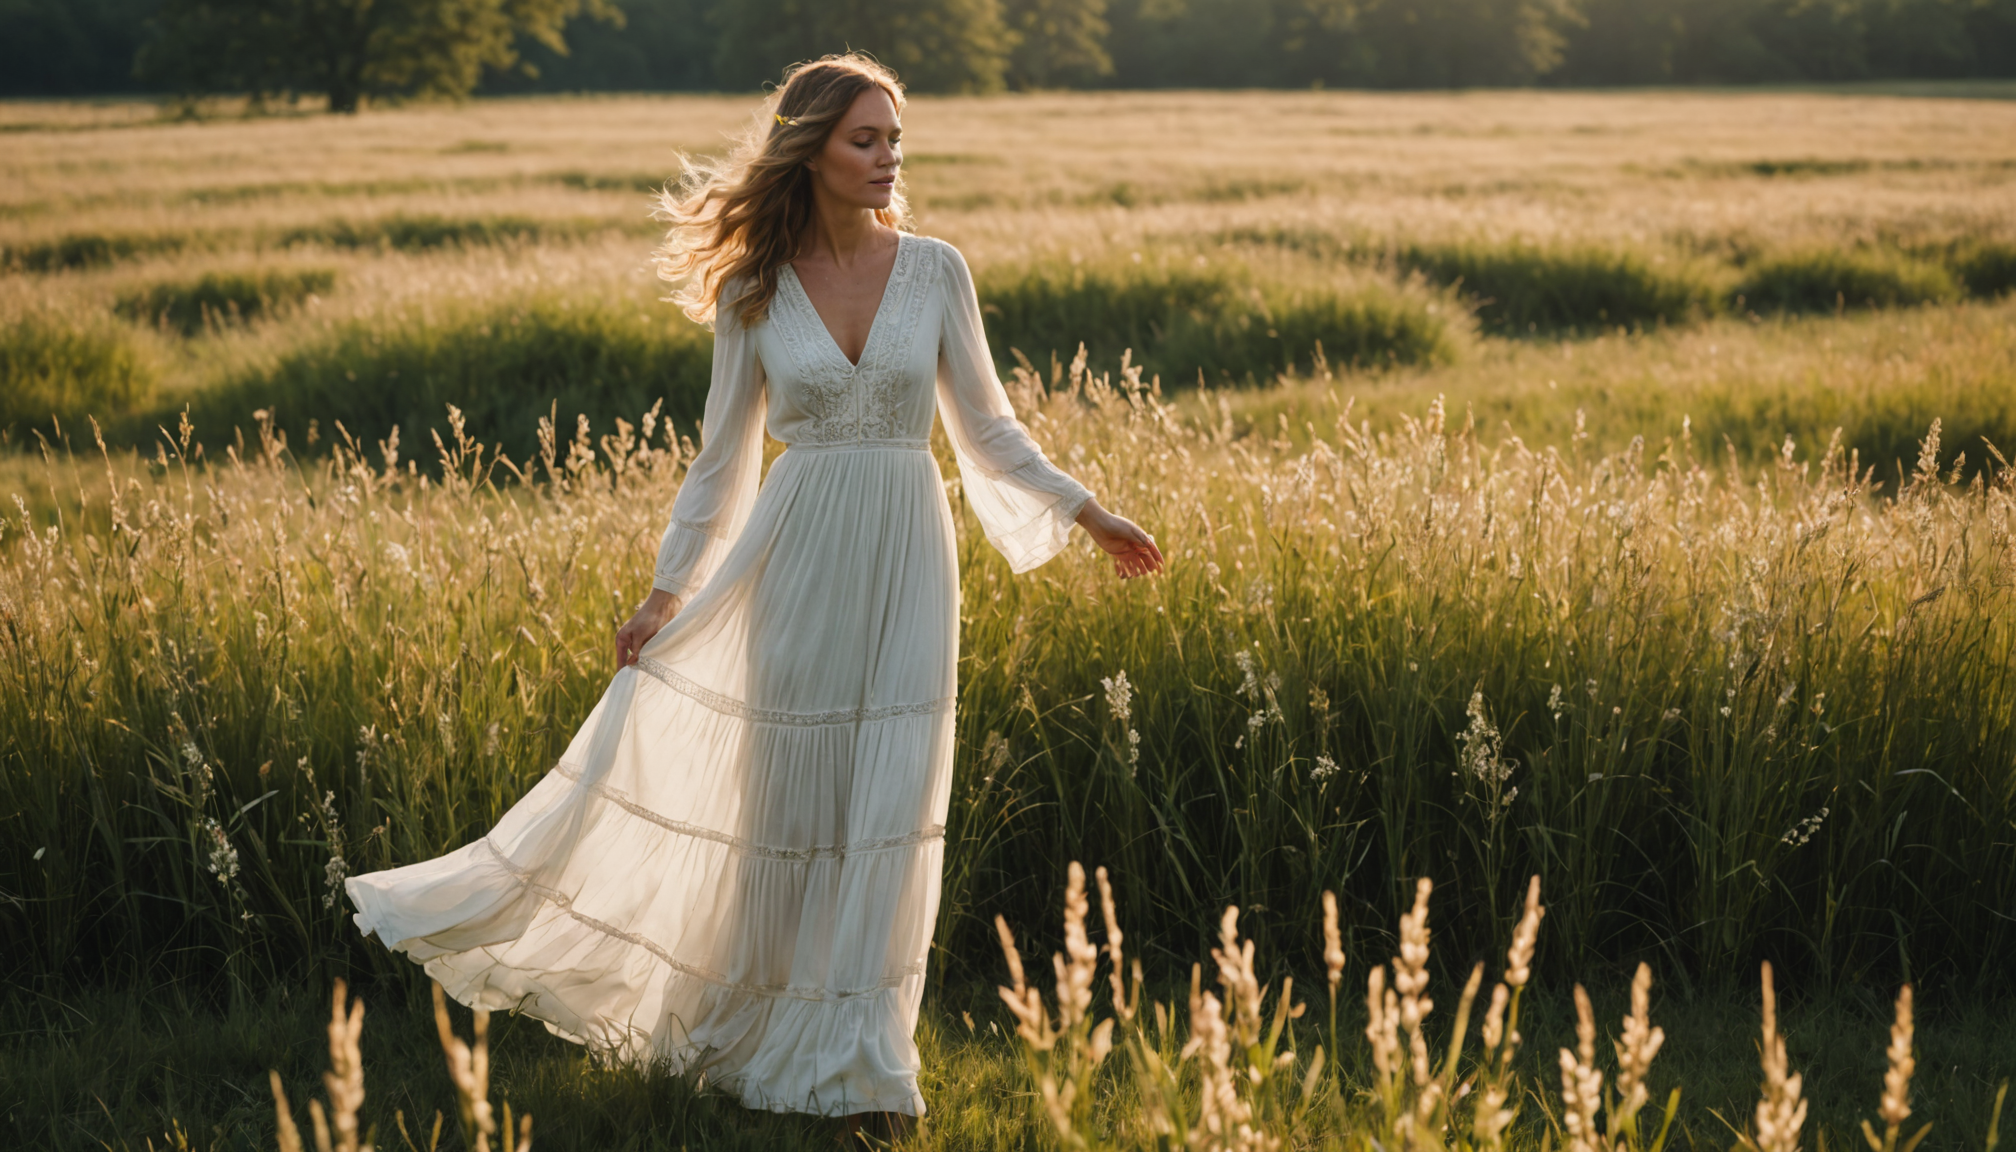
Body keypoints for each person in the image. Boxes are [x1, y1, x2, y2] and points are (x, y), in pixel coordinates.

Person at [344, 52, 1163, 1141]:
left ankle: (866, 1065)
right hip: (798, 556)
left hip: (910, 555)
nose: (887, 159)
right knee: (787, 802)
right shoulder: (754, 291)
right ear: (810, 147)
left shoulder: (937, 270)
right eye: (864, 140)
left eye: (895, 140)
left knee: (889, 803)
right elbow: (721, 464)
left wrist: (1086, 510)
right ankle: (760, 1034)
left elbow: (988, 426)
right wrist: (665, 591)